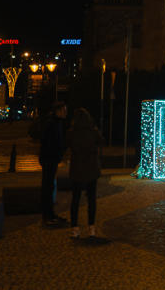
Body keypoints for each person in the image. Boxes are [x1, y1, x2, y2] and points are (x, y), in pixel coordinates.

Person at [66, 107, 105, 238]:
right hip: (91, 168)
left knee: (75, 199)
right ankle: (91, 227)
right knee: (91, 199)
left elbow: (67, 145)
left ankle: (75, 228)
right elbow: (102, 142)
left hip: (77, 168)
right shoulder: (93, 132)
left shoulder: (72, 132)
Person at [39, 101, 67, 226]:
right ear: (58, 111)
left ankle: (50, 214)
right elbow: (49, 142)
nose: (66, 113)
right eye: (64, 110)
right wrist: (56, 154)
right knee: (48, 187)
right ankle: (47, 216)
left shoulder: (56, 123)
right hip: (49, 159)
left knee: (49, 187)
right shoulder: (52, 123)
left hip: (51, 159)